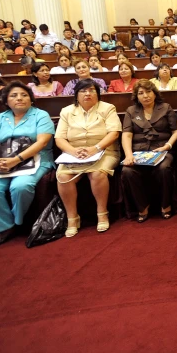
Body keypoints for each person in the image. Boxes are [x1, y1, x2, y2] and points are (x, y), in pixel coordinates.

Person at [0, 83, 56, 247]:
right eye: (14, 95)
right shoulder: (0, 118)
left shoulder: (40, 115)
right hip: (4, 161)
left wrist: (16, 160)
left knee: (20, 187)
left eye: (24, 95)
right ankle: (5, 226)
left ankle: (16, 222)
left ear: (31, 99)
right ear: (6, 100)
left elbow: (42, 142)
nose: (19, 98)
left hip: (36, 159)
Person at [56, 79, 122, 237]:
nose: (88, 94)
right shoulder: (66, 111)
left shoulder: (107, 108)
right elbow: (59, 138)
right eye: (83, 91)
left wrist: (95, 148)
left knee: (98, 173)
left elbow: (114, 133)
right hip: (74, 153)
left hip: (105, 151)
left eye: (92, 90)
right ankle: (72, 218)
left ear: (98, 94)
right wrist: (73, 151)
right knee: (63, 176)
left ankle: (102, 213)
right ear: (76, 95)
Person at [120, 80, 177, 222]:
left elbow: (175, 131)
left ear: (154, 93)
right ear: (136, 96)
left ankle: (165, 204)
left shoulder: (165, 107)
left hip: (162, 149)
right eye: (141, 93)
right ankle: (142, 207)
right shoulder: (131, 111)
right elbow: (126, 135)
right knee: (127, 171)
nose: (145, 95)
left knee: (164, 168)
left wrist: (168, 146)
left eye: (148, 91)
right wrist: (128, 155)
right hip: (138, 151)